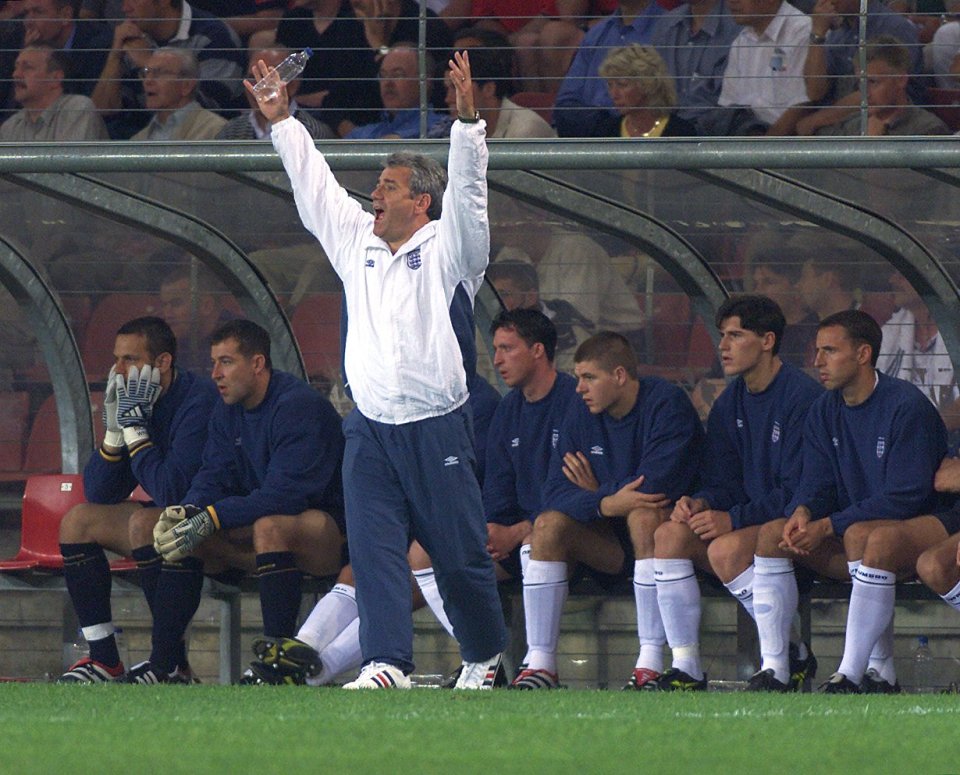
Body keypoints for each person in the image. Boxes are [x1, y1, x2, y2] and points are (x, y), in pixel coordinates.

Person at [244, 50, 508, 690]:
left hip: (438, 426)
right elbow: (313, 185)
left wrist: (468, 125)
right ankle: (386, 662)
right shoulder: (354, 240)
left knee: (459, 557)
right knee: (373, 551)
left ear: (421, 202)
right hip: (369, 429)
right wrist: (282, 119)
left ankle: (484, 657)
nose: (373, 194)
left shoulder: (450, 250)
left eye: (387, 186)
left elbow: (469, 200)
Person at [751, 310, 949, 693]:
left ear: (862, 355)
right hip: (854, 528)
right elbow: (816, 481)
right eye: (816, 351)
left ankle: (853, 673)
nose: (818, 361)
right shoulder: (825, 409)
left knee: (867, 537)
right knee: (773, 535)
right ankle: (776, 667)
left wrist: (828, 526)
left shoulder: (906, 406)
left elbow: (906, 496)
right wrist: (804, 511)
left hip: (924, 524)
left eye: (829, 351)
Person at [148, 319, 347, 684]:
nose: (215, 374)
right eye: (213, 363)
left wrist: (211, 515)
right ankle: (165, 666)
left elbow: (284, 497)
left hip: (328, 538)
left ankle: (279, 661)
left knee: (270, 525)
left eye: (226, 362)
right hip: (258, 529)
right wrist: (189, 511)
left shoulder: (298, 405)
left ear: (257, 364)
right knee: (182, 537)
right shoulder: (227, 409)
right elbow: (214, 473)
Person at [513, 331, 703, 689]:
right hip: (607, 546)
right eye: (578, 377)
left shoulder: (666, 403)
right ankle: (540, 664)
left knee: (644, 514)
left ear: (619, 375)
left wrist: (597, 492)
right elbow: (553, 490)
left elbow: (654, 487)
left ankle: (649, 661)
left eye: (589, 378)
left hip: (667, 542)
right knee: (547, 524)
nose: (579, 388)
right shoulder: (580, 412)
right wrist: (604, 502)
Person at [653, 295, 822, 692]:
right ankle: (687, 667)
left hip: (798, 522)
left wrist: (733, 518)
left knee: (725, 550)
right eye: (721, 336)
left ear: (767, 341)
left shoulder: (802, 398)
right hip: (750, 519)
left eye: (735, 335)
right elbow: (722, 480)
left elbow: (803, 490)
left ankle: (780, 660)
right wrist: (703, 502)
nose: (723, 346)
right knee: (669, 535)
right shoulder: (729, 402)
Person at [57, 316, 218, 683]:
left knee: (147, 523)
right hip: (172, 518)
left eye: (129, 359)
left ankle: (168, 663)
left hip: (211, 518)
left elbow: (172, 491)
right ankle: (104, 660)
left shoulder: (198, 401)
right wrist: (116, 434)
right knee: (78, 521)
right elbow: (99, 492)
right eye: (116, 359)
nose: (117, 370)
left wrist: (136, 430)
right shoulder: (138, 400)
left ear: (162, 362)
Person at [90, 0, 244, 139]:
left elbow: (206, 111)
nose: (125, 8)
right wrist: (115, 56)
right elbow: (102, 114)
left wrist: (148, 62)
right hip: (144, 140)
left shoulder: (215, 37)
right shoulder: (132, 40)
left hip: (203, 147)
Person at [797, 0, 922, 136]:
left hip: (890, 127)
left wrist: (817, 119)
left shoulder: (896, 27)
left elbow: (881, 91)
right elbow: (815, 92)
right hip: (840, 128)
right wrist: (818, 33)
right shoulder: (837, 35)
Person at [552, 0, 666, 137]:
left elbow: (665, 101)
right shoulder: (596, 34)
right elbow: (565, 103)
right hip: (589, 141)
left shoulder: (668, 32)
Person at [877, 270, 960, 431]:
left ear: (929, 279)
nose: (892, 279)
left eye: (901, 274)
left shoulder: (956, 323)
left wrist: (921, 432)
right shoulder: (890, 334)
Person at [715, 0, 811, 135]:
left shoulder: (802, 32)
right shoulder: (741, 41)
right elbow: (729, 106)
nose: (731, 2)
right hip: (743, 138)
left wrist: (762, 150)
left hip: (784, 145)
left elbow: (803, 106)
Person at [428, 38, 557, 138]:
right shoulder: (450, 129)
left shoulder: (526, 131)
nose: (448, 99)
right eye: (447, 89)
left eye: (456, 88)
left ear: (488, 89)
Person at [819, 37, 949, 136]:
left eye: (873, 82)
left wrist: (871, 147)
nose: (865, 93)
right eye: (861, 83)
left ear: (901, 80)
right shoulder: (851, 126)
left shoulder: (928, 130)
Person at [485, 260, 595, 373]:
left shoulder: (570, 336)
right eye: (492, 296)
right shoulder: (486, 329)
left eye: (505, 295)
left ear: (531, 297)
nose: (495, 303)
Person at [650, 0, 740, 136]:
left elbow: (728, 105)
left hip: (716, 138)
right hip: (664, 134)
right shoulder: (666, 25)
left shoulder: (738, 27)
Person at [216, 45, 335, 140]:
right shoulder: (231, 132)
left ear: (292, 85)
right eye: (253, 78)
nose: (258, 87)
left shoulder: (313, 134)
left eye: (267, 79)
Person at [0, 44, 108, 140]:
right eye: (16, 67)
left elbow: (71, 161)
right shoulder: (11, 126)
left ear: (55, 78)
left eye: (27, 67)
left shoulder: (78, 109)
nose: (16, 74)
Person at [345, 44, 444, 139]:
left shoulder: (443, 128)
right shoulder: (360, 136)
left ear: (425, 82)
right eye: (383, 75)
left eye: (398, 75)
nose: (387, 82)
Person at [597, 44, 698, 137]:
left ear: (647, 83)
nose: (614, 94)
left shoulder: (681, 133)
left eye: (622, 84)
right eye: (610, 85)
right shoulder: (606, 132)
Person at [129, 47, 226, 141]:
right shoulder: (137, 140)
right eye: (145, 74)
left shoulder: (216, 130)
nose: (147, 81)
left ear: (186, 85)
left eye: (159, 73)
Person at [21, 0, 112, 97]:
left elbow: (86, 103)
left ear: (65, 15)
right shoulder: (21, 40)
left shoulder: (99, 45)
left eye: (39, 12)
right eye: (26, 13)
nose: (28, 21)